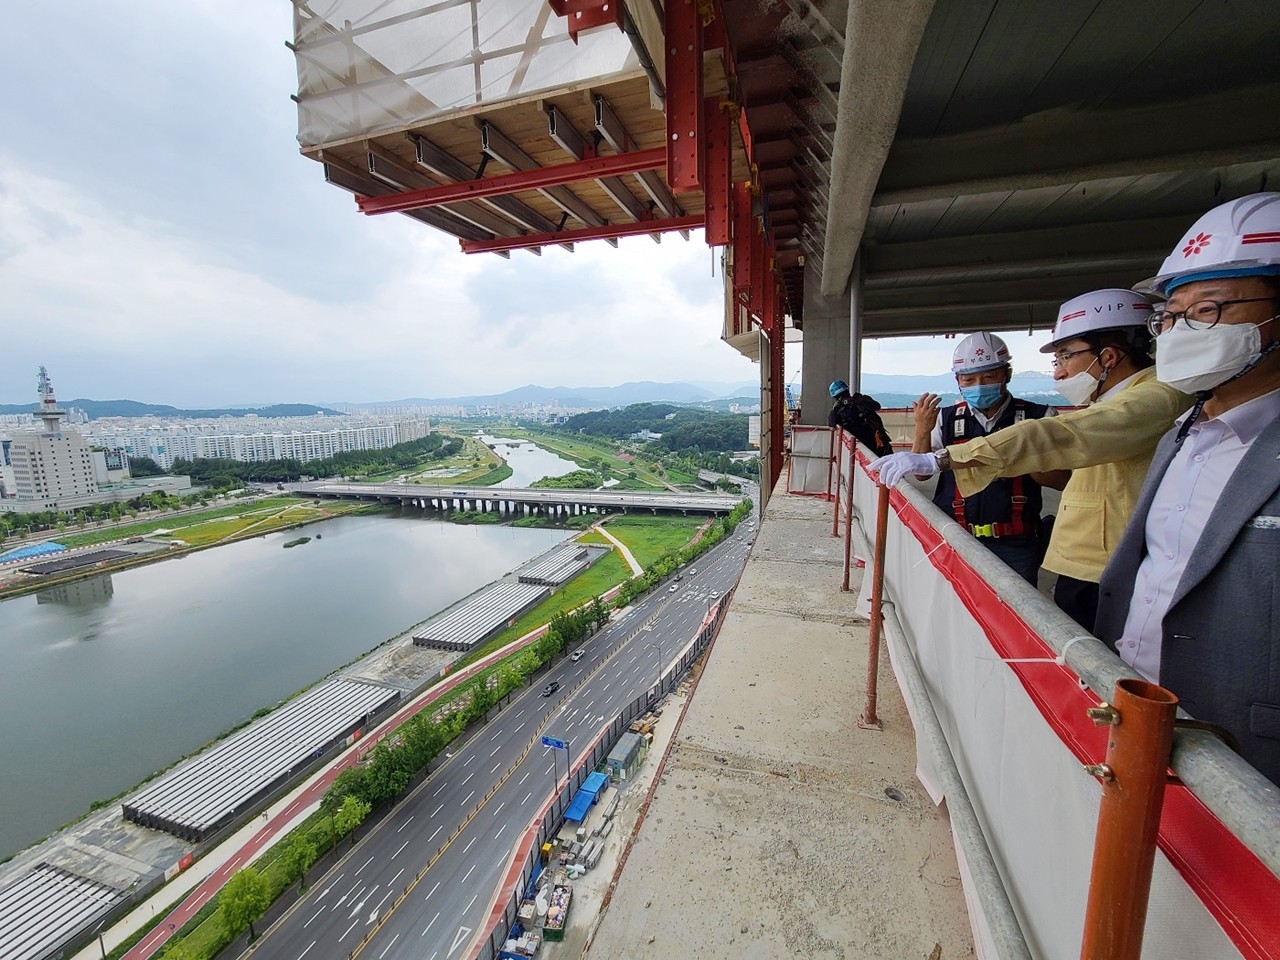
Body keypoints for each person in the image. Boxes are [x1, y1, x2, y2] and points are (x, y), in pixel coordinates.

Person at [1094, 192, 1280, 784]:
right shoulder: (1184, 434)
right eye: (1170, 316)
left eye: (1207, 309)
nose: (1178, 332)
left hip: (1239, 757)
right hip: (1138, 718)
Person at [869, 291, 1191, 628]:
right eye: (970, 379)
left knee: (1012, 623)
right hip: (970, 536)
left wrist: (954, 458)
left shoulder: (1142, 402)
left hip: (1041, 547)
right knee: (952, 615)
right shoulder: (951, 418)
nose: (1059, 374)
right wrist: (926, 435)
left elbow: (1056, 441)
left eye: (1065, 357)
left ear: (1108, 356)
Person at [910, 333, 1052, 584]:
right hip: (955, 535)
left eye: (989, 376)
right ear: (958, 381)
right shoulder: (946, 419)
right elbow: (921, 473)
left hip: (1016, 543)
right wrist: (922, 429)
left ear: (1006, 375)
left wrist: (1025, 454)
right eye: (969, 379)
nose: (979, 384)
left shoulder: (1039, 417)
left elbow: (1062, 477)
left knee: (1012, 616)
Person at [827, 379, 894, 457]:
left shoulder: (861, 401)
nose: (844, 398)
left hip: (878, 442)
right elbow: (831, 423)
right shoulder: (839, 411)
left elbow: (876, 406)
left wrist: (861, 401)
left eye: (845, 394)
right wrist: (836, 408)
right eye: (840, 397)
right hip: (861, 446)